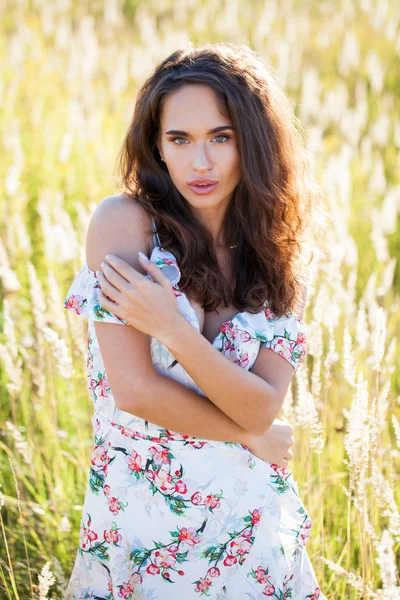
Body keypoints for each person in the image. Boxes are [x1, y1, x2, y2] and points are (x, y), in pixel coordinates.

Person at [64, 43, 326, 600]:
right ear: (156, 146)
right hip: (139, 526)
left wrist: (174, 330)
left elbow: (262, 405)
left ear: (252, 142)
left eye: (220, 138)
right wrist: (249, 437)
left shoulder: (281, 255)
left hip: (251, 530)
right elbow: (134, 391)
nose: (199, 163)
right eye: (179, 139)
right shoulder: (125, 226)